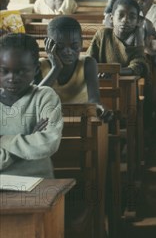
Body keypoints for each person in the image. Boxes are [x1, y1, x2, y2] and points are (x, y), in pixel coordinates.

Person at [0, 33, 63, 178]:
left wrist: (3, 139)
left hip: (39, 181)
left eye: (21, 71)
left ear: (36, 69)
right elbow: (37, 143)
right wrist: (29, 137)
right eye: (4, 71)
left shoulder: (45, 97)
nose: (12, 78)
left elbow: (47, 143)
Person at [37, 17, 111, 121]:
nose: (68, 51)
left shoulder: (88, 64)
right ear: (48, 44)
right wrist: (56, 67)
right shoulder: (41, 66)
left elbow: (94, 99)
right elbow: (34, 101)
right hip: (48, 125)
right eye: (60, 46)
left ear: (81, 43)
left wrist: (99, 107)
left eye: (74, 46)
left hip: (82, 123)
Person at [87, 0, 148, 77]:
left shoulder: (137, 37)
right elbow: (89, 59)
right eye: (121, 15)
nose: (125, 20)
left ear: (137, 21)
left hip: (127, 84)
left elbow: (138, 66)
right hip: (100, 80)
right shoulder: (102, 34)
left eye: (132, 17)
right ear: (112, 18)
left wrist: (114, 72)